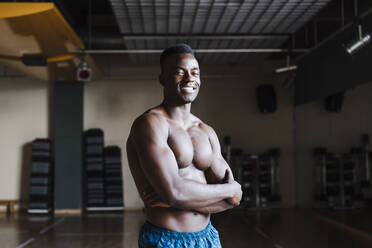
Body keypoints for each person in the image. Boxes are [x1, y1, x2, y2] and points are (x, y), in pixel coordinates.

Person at [126, 44, 242, 248]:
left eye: (194, 72)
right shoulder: (150, 124)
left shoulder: (206, 131)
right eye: (180, 72)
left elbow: (234, 199)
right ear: (162, 78)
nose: (190, 78)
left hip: (208, 238)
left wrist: (228, 192)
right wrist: (227, 190)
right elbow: (175, 193)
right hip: (167, 239)